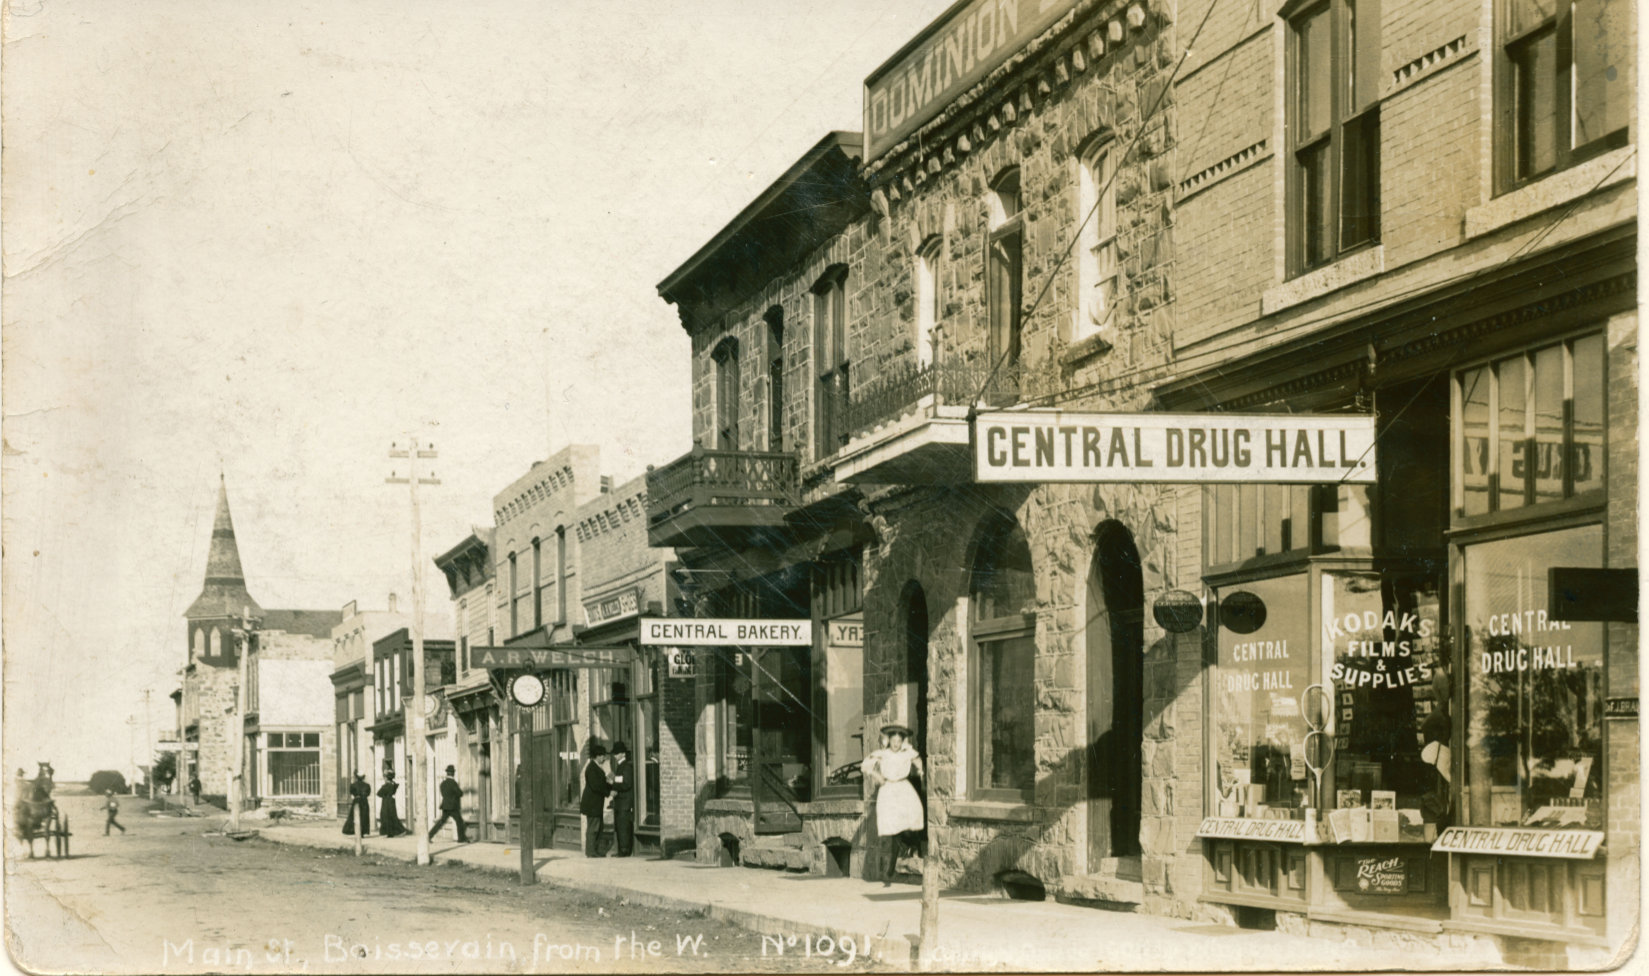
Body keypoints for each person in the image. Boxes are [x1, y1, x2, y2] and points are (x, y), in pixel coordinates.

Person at [861, 724, 924, 881]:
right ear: (888, 740)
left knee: (912, 819)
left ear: (902, 741)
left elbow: (918, 760)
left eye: (899, 740)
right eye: (893, 740)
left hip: (903, 788)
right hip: (889, 790)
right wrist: (877, 776)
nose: (896, 743)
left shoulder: (906, 753)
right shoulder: (883, 754)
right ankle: (891, 866)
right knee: (893, 827)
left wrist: (920, 771)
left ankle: (915, 847)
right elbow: (865, 766)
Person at [579, 742, 611, 858]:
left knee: (598, 827)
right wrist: (608, 791)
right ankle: (591, 851)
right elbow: (596, 785)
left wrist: (608, 784)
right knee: (593, 827)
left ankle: (595, 850)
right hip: (592, 804)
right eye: (602, 756)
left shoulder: (596, 767)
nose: (604, 758)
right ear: (597, 756)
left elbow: (600, 784)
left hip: (595, 803)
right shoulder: (592, 768)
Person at [608, 742, 635, 857]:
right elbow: (622, 781)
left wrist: (613, 782)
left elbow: (627, 783)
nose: (615, 755)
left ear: (623, 754)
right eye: (614, 753)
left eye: (617, 753)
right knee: (620, 826)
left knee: (623, 826)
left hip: (624, 802)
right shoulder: (620, 765)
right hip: (620, 802)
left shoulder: (626, 765)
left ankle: (624, 850)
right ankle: (621, 849)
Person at [429, 765, 467, 842]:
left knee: (441, 822)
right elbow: (459, 793)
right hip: (453, 806)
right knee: (459, 821)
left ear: (447, 773)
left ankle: (429, 835)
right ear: (453, 773)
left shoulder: (443, 783)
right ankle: (461, 838)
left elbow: (443, 794)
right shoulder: (453, 783)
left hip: (445, 806)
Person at [377, 770, 406, 837]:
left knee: (385, 815)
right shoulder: (394, 785)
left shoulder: (386, 786)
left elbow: (379, 793)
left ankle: (390, 832)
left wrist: (384, 794)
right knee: (392, 815)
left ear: (386, 778)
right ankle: (393, 832)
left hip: (386, 801)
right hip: (392, 801)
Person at [344, 772, 372, 837]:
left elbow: (351, 792)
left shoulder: (353, 785)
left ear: (356, 777)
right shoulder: (367, 785)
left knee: (355, 816)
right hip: (364, 801)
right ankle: (362, 832)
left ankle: (354, 831)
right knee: (364, 816)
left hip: (357, 800)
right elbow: (368, 793)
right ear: (363, 777)